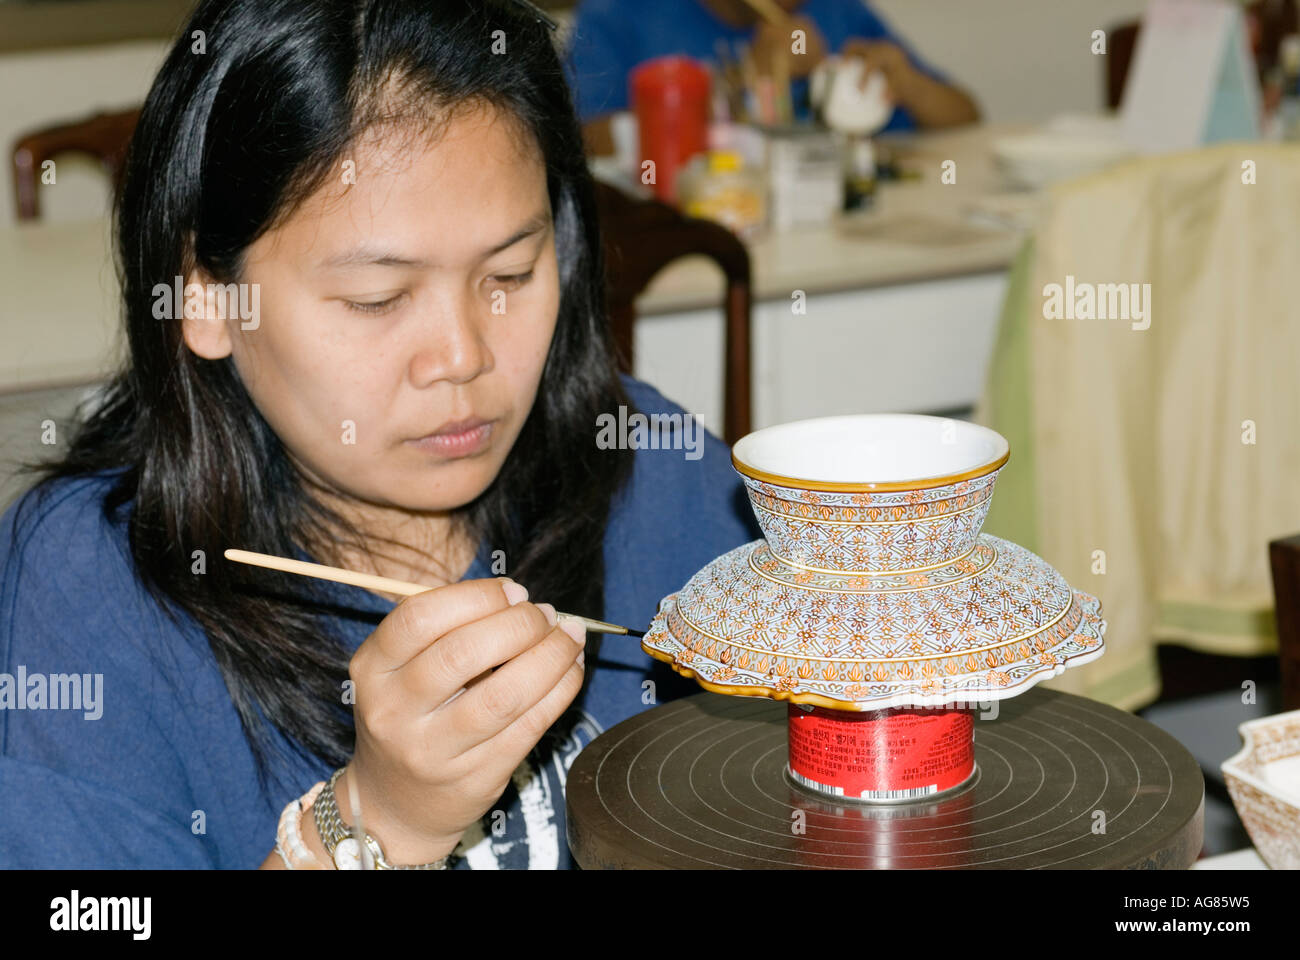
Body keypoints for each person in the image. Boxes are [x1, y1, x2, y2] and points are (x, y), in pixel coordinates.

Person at [0, 0, 760, 870]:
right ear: (206, 295)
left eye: (510, 273)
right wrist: (375, 821)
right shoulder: (84, 593)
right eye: (377, 299)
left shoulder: (650, 464)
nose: (463, 358)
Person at [566, 0, 981, 154]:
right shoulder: (620, 13)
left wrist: (908, 85)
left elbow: (966, 119)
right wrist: (741, 83)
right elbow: (576, 144)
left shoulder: (836, 12)